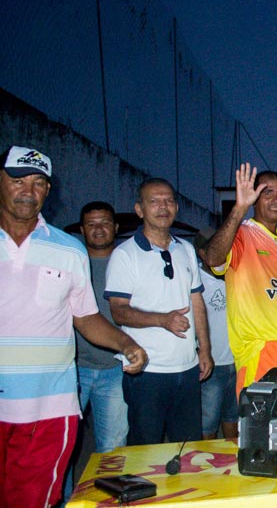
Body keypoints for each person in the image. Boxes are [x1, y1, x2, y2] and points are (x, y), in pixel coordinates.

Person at [0, 146, 146, 508]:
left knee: (34, 499)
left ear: (48, 191)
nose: (28, 190)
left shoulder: (68, 250)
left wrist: (127, 344)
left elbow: (86, 317)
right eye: (17, 180)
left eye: (38, 183)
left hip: (49, 408)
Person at [105, 177, 213, 445]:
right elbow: (119, 311)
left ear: (176, 207)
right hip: (146, 372)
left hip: (187, 370)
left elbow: (197, 302)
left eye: (168, 201)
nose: (162, 207)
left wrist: (206, 350)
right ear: (140, 209)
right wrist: (162, 320)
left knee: (188, 450)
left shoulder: (185, 249)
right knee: (145, 451)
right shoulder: (125, 254)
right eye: (154, 201)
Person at [202, 165, 277, 395]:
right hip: (260, 350)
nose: (276, 199)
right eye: (268, 192)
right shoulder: (243, 233)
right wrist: (239, 208)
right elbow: (213, 258)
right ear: (255, 199)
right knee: (259, 428)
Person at [75, 201, 129, 452]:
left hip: (115, 368)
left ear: (116, 227)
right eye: (91, 224)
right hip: (74, 369)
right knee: (64, 447)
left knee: (113, 447)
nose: (98, 229)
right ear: (82, 230)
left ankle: (108, 493)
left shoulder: (129, 261)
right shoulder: (72, 262)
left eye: (105, 223)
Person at [194, 229, 238, 441]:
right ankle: (206, 469)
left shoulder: (235, 274)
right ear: (203, 253)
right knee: (207, 424)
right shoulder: (195, 281)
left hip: (238, 362)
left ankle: (232, 467)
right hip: (212, 366)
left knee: (233, 419)